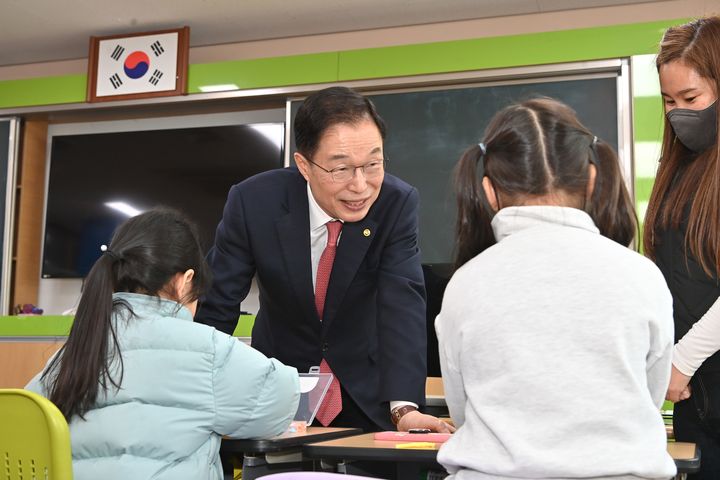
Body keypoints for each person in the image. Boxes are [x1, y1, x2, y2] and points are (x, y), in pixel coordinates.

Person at [435, 97, 676, 479]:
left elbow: (464, 412)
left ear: (489, 190)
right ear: (593, 179)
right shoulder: (641, 275)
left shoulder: (465, 284)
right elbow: (648, 397)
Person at [196, 86, 451, 433]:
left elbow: (401, 303)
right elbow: (219, 302)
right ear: (304, 165)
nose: (361, 186)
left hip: (368, 392)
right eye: (341, 169)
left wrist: (403, 407)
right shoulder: (254, 202)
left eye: (373, 164)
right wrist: (196, 391)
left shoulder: (396, 203)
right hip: (279, 389)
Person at [26, 208, 300, 480]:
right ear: (185, 281)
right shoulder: (207, 348)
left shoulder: (74, 349)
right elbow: (278, 407)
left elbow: (24, 417)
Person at [643, 16, 720, 479]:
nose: (678, 113)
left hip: (692, 373)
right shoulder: (679, 170)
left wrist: (680, 361)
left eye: (691, 99)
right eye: (669, 101)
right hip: (697, 402)